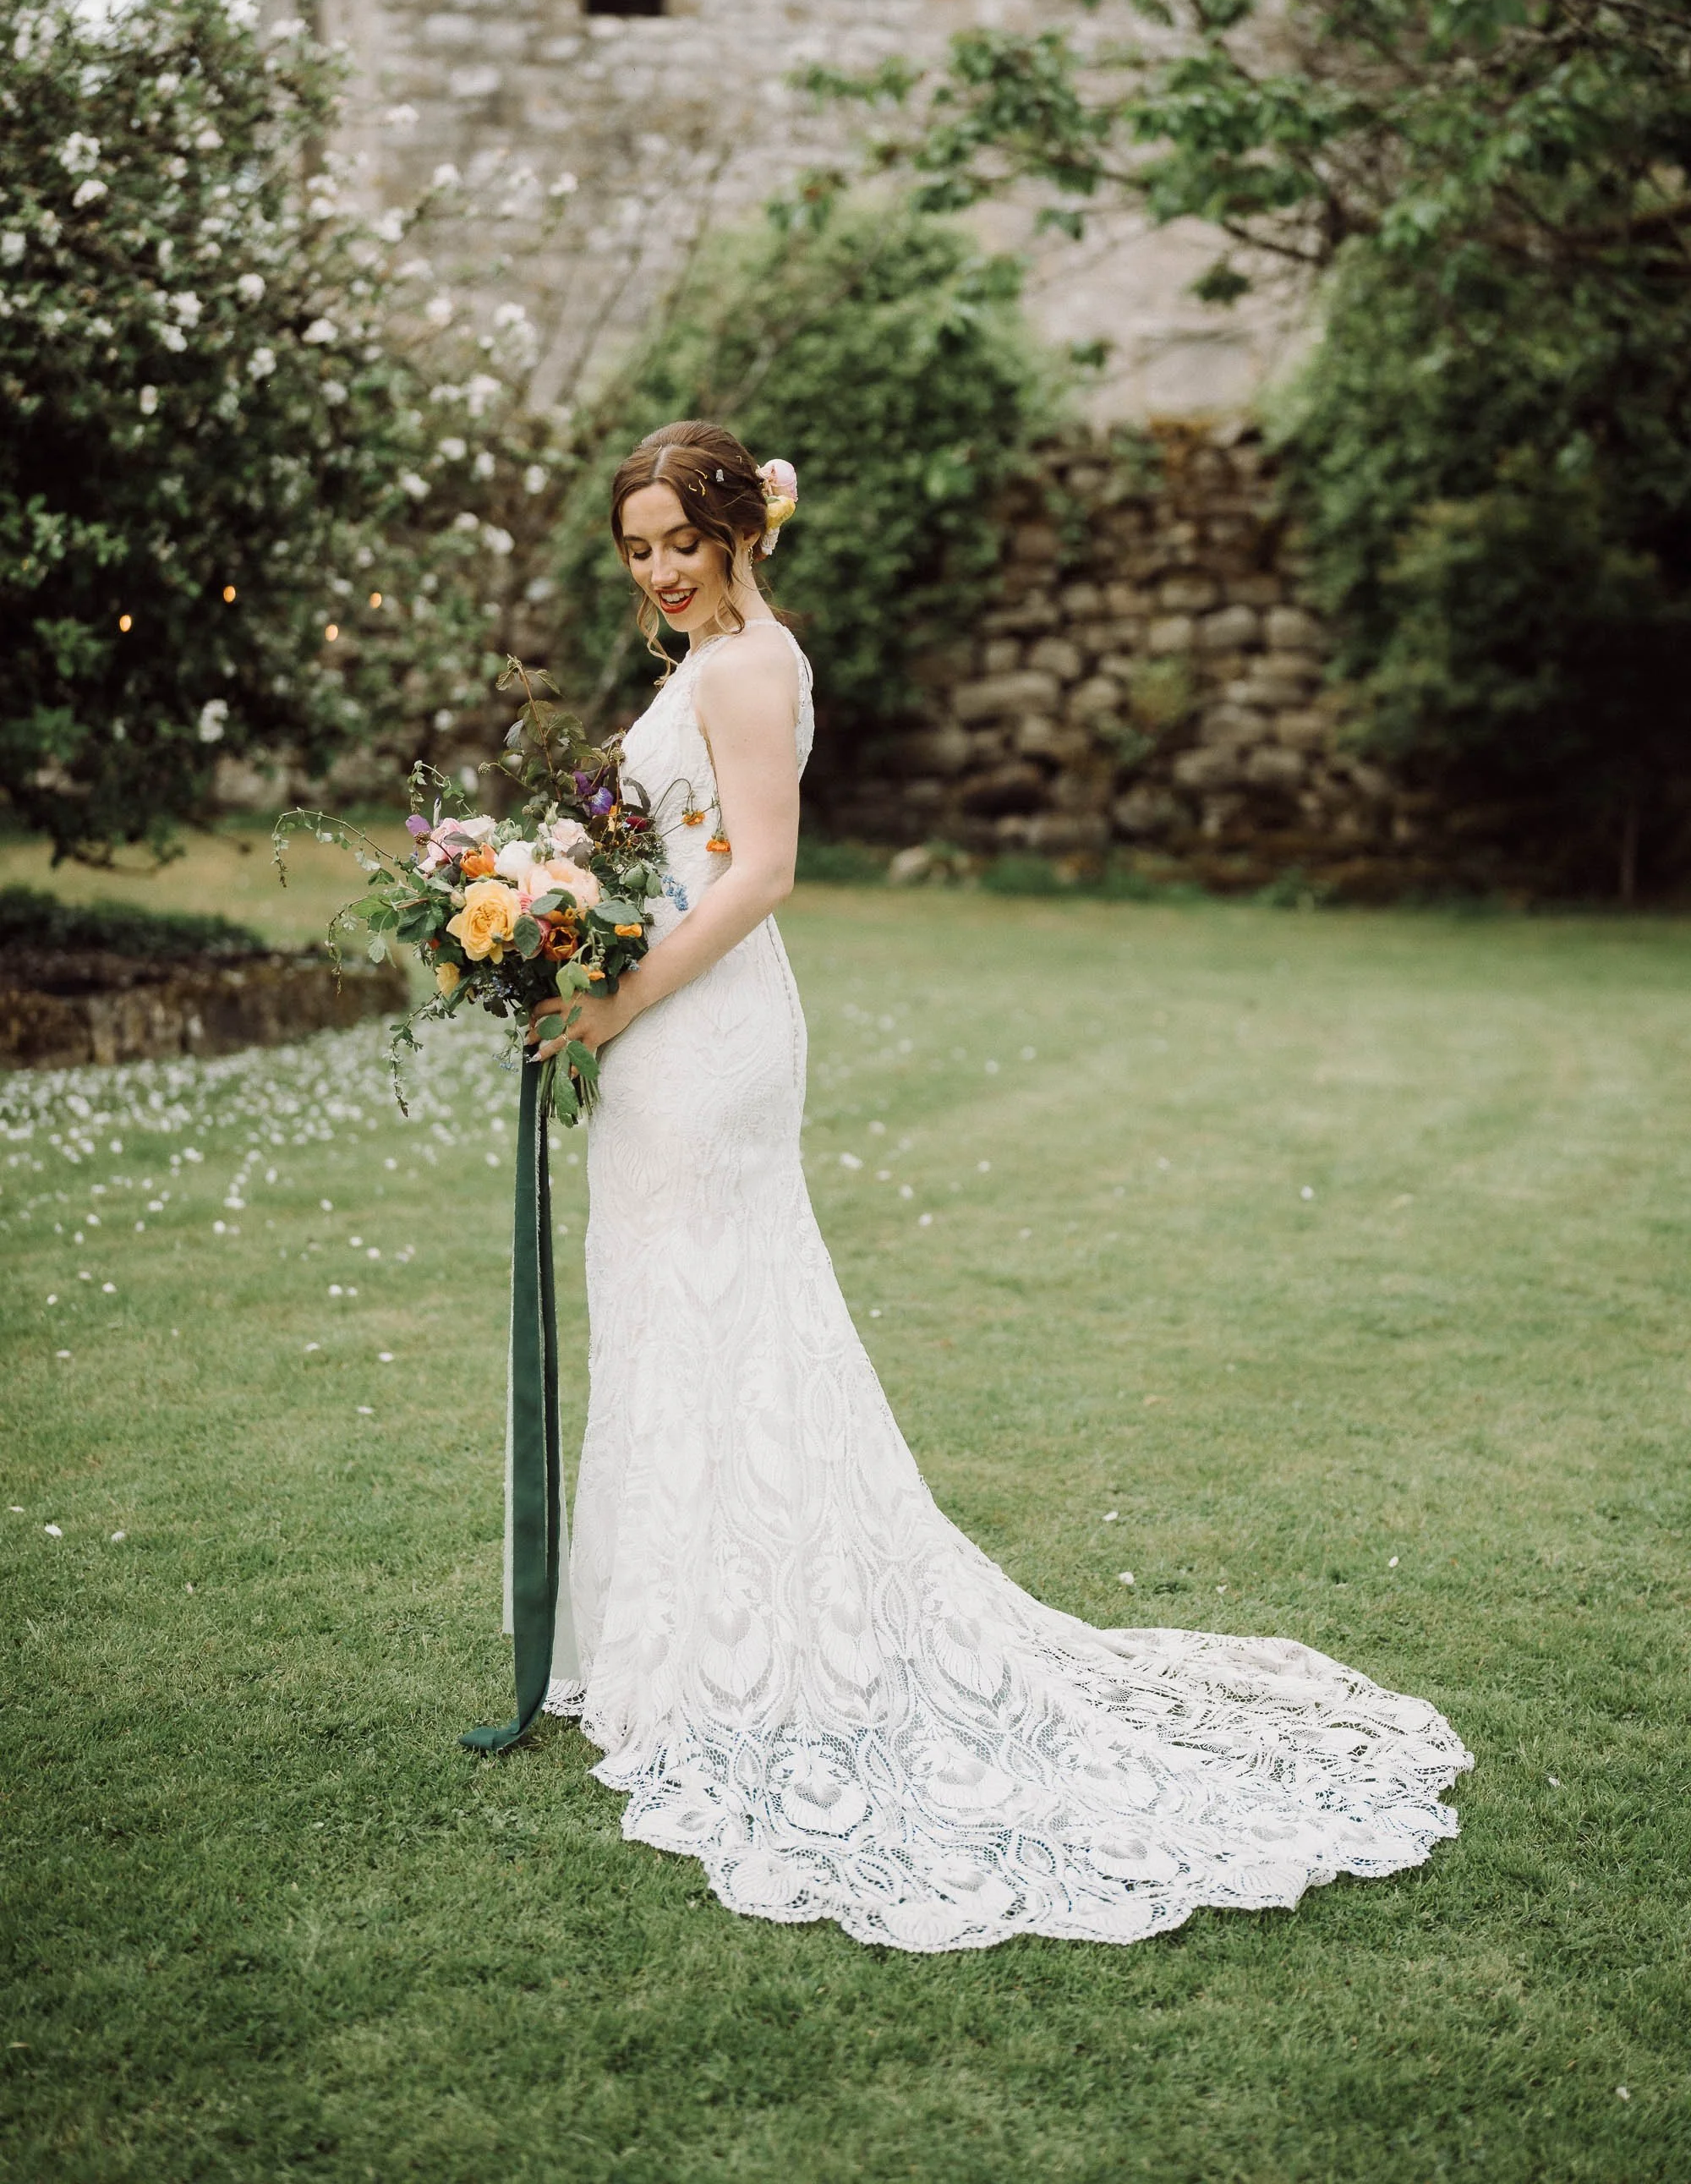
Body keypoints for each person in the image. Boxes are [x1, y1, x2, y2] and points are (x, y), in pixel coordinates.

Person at [527, 419, 1471, 1954]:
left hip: (709, 1034)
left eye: (678, 544)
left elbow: (760, 871)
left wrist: (624, 999)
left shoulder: (754, 666)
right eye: (637, 552)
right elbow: (670, 849)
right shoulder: (701, 666)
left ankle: (765, 1649)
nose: (658, 572)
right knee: (665, 1310)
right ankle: (679, 1642)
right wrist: (557, 923)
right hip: (660, 1022)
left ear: (735, 534)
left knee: (730, 1308)